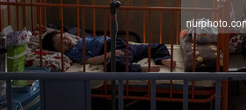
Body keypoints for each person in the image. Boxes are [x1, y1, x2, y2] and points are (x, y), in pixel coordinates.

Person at [42, 31, 176, 72]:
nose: (65, 42)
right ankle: (141, 68)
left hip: (119, 43)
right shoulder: (72, 52)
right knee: (112, 66)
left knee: (157, 46)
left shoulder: (77, 39)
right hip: (110, 49)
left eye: (64, 37)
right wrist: (110, 54)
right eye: (61, 45)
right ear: (59, 51)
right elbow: (89, 60)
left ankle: (164, 59)